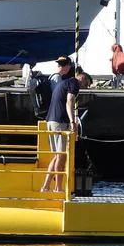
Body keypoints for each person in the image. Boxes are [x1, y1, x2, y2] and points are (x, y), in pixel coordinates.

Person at [40, 56, 81, 193]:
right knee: (61, 155)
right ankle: (58, 188)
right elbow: (69, 102)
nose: (61, 66)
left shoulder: (56, 80)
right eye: (60, 64)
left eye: (62, 64)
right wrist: (73, 122)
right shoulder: (73, 82)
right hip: (59, 121)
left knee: (57, 155)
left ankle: (46, 186)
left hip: (49, 119)